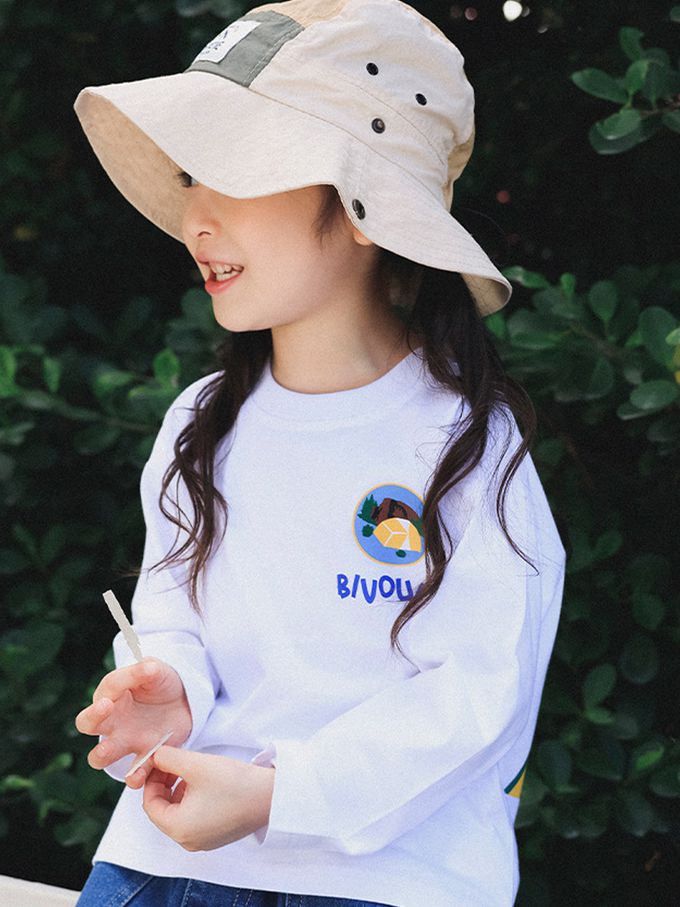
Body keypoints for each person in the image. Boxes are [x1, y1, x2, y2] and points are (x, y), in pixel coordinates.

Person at [71, 1, 567, 905]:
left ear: (366, 208)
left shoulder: (464, 442)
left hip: (392, 880)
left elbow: (478, 696)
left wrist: (278, 794)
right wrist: (171, 686)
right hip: (162, 860)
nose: (195, 214)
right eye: (190, 174)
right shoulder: (200, 421)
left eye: (236, 170)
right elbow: (174, 613)